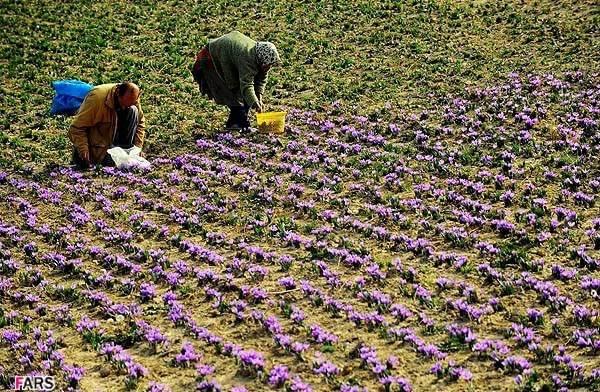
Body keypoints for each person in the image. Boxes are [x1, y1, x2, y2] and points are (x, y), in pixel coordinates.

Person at [192, 31, 281, 130]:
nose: (268, 68)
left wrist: (258, 97)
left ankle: (238, 123)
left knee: (244, 96)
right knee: (233, 95)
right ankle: (236, 124)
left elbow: (261, 79)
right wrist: (254, 102)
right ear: (261, 60)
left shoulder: (259, 57)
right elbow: (247, 85)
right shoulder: (247, 57)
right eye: (267, 65)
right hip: (210, 59)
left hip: (227, 59)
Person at [68, 82, 146, 168]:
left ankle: (125, 151)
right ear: (117, 92)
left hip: (115, 141)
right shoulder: (96, 99)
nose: (124, 108)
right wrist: (83, 151)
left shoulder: (132, 98)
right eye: (122, 104)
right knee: (113, 163)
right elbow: (76, 128)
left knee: (133, 110)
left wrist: (137, 149)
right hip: (99, 146)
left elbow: (140, 123)